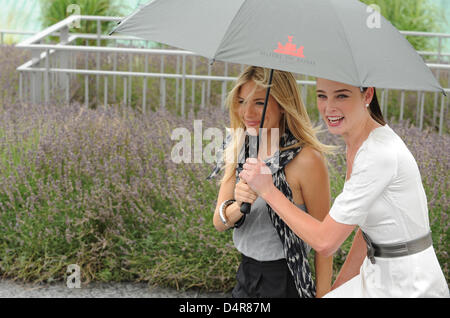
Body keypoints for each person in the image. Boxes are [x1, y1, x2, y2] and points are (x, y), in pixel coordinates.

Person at [239, 77, 449, 297]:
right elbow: (367, 231)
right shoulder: (360, 144)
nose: (329, 107)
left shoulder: (377, 154)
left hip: (409, 284)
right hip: (379, 273)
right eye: (322, 96)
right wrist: (336, 289)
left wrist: (268, 190)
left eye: (341, 95)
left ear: (367, 95)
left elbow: (325, 241)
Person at [207, 66, 334, 298]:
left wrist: (323, 294)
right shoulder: (237, 147)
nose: (247, 112)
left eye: (259, 102)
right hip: (246, 277)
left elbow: (324, 242)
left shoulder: (306, 160)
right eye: (242, 101)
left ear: (283, 105)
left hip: (285, 281)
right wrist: (239, 204)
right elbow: (219, 221)